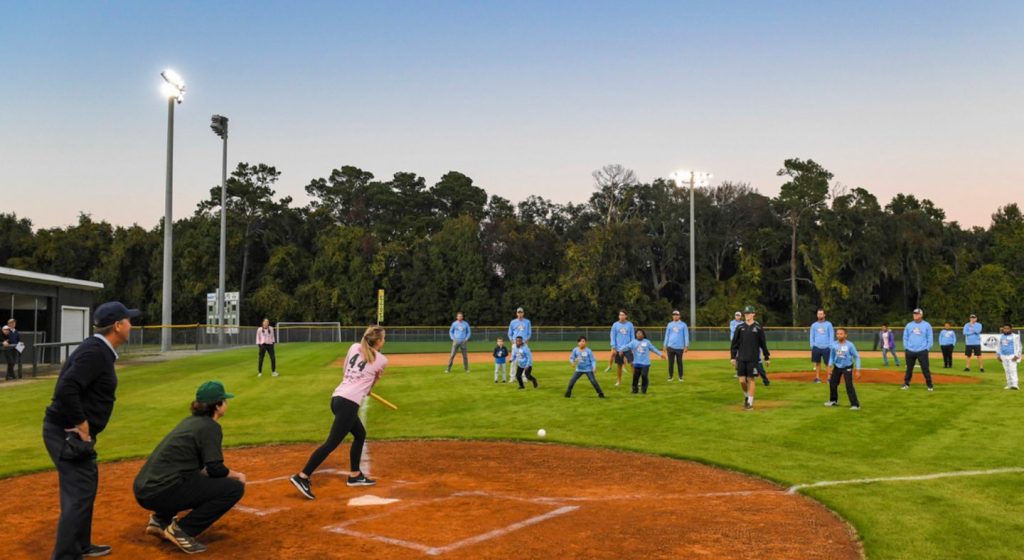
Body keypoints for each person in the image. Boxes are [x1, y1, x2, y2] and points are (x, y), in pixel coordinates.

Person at [42, 301, 139, 560]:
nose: (131, 324)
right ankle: (65, 555)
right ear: (117, 326)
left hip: (69, 433)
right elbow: (66, 388)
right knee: (78, 494)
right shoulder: (95, 351)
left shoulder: (99, 350)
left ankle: (81, 545)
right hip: (66, 432)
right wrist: (82, 423)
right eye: (128, 320)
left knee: (84, 488)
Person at [133, 381, 245, 555]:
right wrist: (236, 475)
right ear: (217, 405)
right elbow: (215, 468)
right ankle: (183, 531)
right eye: (224, 401)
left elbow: (198, 469)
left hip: (145, 489)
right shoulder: (210, 427)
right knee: (233, 488)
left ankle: (160, 520)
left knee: (189, 477)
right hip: (160, 491)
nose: (226, 404)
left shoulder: (190, 422)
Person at [290, 326, 388, 500]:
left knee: (360, 434)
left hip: (337, 399)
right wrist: (369, 384)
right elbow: (370, 386)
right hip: (349, 403)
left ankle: (355, 475)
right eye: (383, 339)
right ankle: (302, 476)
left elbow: (346, 372)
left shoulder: (353, 347)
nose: (384, 341)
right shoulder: (381, 360)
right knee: (331, 443)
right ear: (378, 341)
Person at [730, 306, 770, 410]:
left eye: (749, 313)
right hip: (741, 358)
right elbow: (734, 344)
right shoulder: (740, 327)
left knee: (751, 379)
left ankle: (750, 403)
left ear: (753, 314)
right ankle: (746, 397)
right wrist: (733, 357)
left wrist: (766, 357)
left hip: (753, 358)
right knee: (742, 381)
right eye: (745, 313)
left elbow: (763, 343)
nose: (747, 315)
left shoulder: (758, 328)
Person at [824, 327, 862, 410]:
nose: (839, 335)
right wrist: (829, 366)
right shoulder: (834, 344)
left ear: (845, 335)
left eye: (841, 334)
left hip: (847, 367)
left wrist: (858, 370)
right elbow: (832, 356)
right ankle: (833, 401)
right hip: (837, 366)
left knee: (849, 385)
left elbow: (857, 357)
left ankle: (855, 405)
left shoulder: (850, 345)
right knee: (833, 383)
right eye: (837, 334)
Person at [902, 308, 934, 391]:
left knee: (925, 368)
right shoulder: (909, 325)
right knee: (909, 368)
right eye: (914, 314)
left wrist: (927, 348)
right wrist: (906, 347)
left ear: (921, 315)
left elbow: (930, 338)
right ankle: (906, 384)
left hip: (922, 350)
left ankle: (929, 385)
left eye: (917, 314)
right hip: (910, 350)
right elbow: (905, 337)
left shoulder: (927, 325)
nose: (915, 315)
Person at [628, 329, 663, 395]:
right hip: (636, 363)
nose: (639, 334)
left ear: (643, 335)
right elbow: (627, 347)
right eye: (637, 333)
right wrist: (621, 350)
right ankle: (635, 390)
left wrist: (660, 354)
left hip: (645, 363)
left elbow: (653, 348)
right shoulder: (633, 342)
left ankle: (643, 390)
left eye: (640, 333)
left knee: (644, 376)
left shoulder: (647, 342)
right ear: (636, 335)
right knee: (635, 377)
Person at [609, 310, 635, 387]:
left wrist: (632, 347)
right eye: (620, 315)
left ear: (626, 316)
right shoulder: (615, 325)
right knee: (619, 366)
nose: (621, 316)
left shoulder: (630, 325)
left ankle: (635, 380)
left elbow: (632, 336)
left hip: (628, 348)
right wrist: (613, 347)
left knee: (632, 364)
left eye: (623, 315)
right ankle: (619, 381)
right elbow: (612, 336)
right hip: (618, 349)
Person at [809, 309, 834, 384]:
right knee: (817, 363)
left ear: (824, 315)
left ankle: (829, 379)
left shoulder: (829, 324)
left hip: (826, 347)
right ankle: (817, 378)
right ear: (817, 315)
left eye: (821, 314)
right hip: (816, 346)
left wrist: (830, 345)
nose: (820, 315)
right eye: (818, 314)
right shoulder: (814, 325)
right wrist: (812, 345)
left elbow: (831, 335)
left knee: (828, 363)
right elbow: (811, 335)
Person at [664, 310, 689, 382]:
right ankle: (670, 376)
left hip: (680, 347)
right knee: (670, 363)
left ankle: (680, 377)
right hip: (670, 346)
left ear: (679, 316)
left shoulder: (683, 325)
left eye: (677, 315)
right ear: (672, 316)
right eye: (674, 315)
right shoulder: (669, 324)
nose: (675, 316)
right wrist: (665, 345)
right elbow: (667, 335)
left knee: (679, 362)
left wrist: (686, 345)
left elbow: (686, 335)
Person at [997, 323, 1021, 390]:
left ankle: (1015, 385)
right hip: (1003, 356)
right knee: (1007, 370)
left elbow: (1019, 347)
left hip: (1012, 355)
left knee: (1013, 370)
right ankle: (1009, 384)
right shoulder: (1000, 337)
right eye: (1004, 328)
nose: (1006, 330)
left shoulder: (1015, 336)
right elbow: (998, 346)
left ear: (1011, 329)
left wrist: (1017, 355)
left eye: (1007, 328)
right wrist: (998, 355)